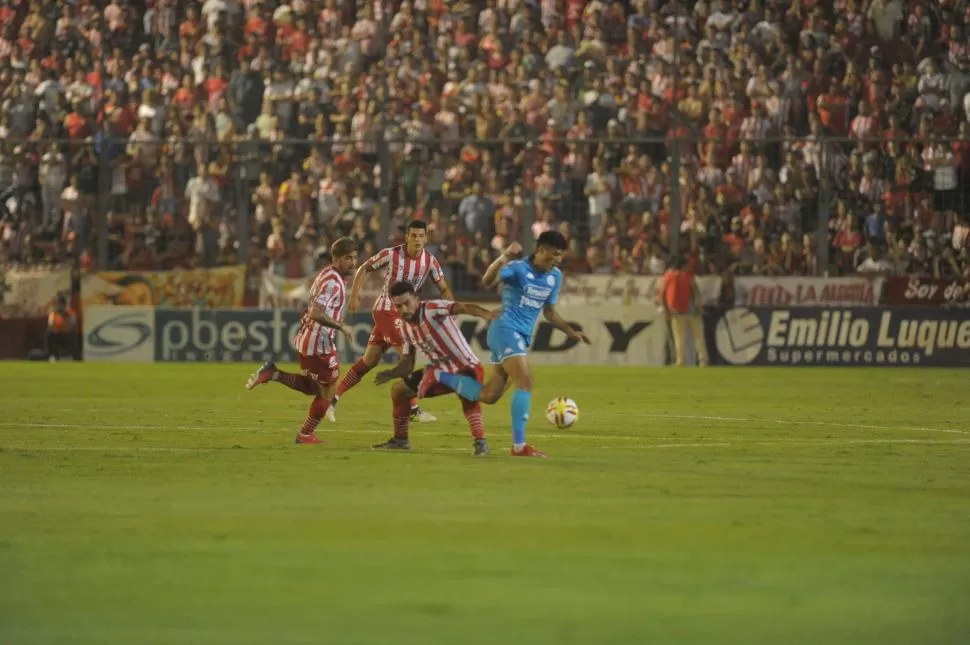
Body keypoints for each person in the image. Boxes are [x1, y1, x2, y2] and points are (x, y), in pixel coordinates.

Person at [425, 232, 591, 458]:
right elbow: (487, 280)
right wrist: (503, 256)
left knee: (490, 395)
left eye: (561, 255)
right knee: (526, 381)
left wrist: (570, 331)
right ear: (541, 250)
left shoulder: (555, 276)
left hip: (520, 336)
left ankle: (439, 376)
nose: (558, 259)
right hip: (504, 328)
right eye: (555, 254)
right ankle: (519, 446)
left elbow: (549, 312)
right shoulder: (518, 268)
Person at [331, 220, 453, 423]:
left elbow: (444, 288)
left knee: (369, 360)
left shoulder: (430, 261)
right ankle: (412, 408)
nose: (417, 240)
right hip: (386, 309)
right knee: (407, 355)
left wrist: (450, 308)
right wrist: (354, 295)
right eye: (413, 236)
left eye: (421, 236)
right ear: (407, 237)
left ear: (426, 238)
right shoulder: (392, 254)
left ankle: (333, 398)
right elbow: (363, 268)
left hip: (403, 314)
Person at [246, 237, 358, 444]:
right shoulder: (333, 282)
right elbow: (316, 312)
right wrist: (341, 326)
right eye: (347, 258)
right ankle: (305, 434)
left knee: (313, 387)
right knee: (327, 390)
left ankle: (274, 373)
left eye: (354, 257)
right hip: (318, 343)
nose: (353, 263)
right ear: (335, 258)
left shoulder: (328, 274)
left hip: (311, 339)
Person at [372, 281, 501, 455]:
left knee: (466, 395)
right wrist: (391, 373)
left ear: (416, 299)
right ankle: (400, 440)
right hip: (438, 371)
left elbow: (463, 307)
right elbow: (408, 363)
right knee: (398, 391)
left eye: (406, 303)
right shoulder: (404, 327)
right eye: (398, 306)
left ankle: (480, 442)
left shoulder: (432, 308)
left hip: (466, 365)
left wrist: (487, 315)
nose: (403, 309)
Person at [660, 255, 709, 367]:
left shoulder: (669, 275)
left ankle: (680, 361)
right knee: (698, 336)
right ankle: (703, 360)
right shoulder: (687, 275)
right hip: (691, 310)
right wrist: (699, 305)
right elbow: (695, 290)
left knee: (679, 338)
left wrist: (666, 310)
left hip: (676, 311)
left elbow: (662, 293)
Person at [46, 294, 76, 362]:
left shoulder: (71, 313)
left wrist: (65, 317)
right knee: (48, 334)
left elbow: (73, 326)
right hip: (56, 334)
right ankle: (52, 355)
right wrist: (56, 329)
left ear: (64, 305)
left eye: (61, 304)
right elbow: (50, 325)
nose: (60, 306)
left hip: (66, 334)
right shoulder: (53, 313)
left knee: (72, 334)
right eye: (58, 304)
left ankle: (69, 355)